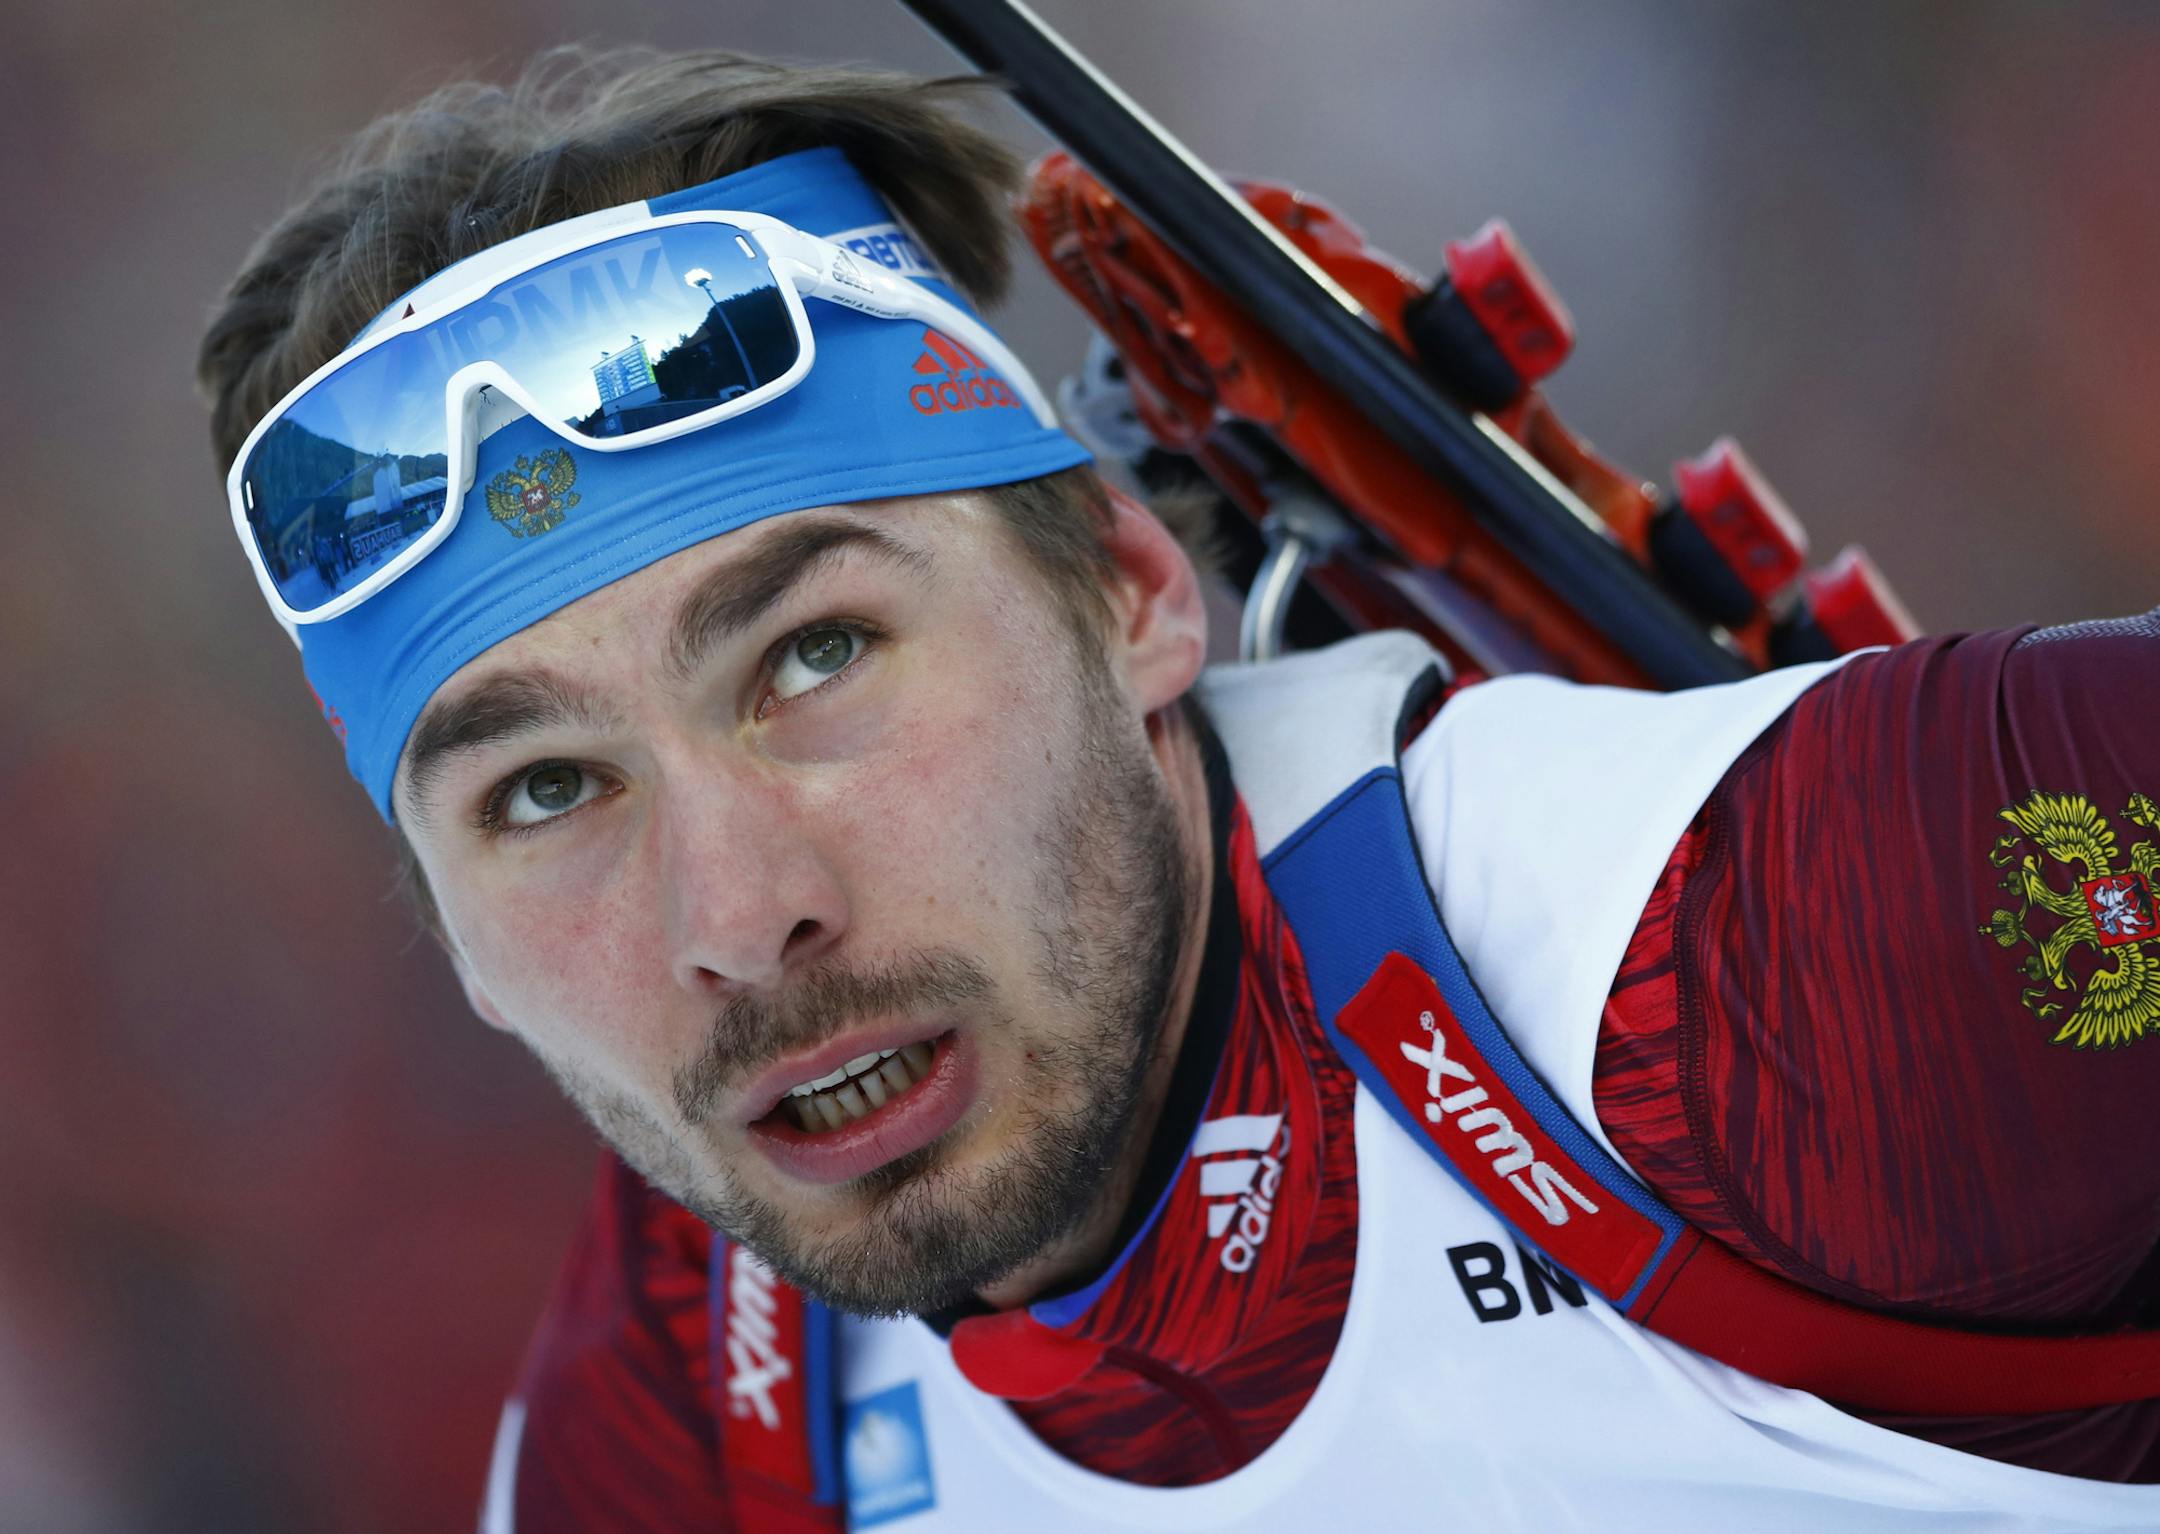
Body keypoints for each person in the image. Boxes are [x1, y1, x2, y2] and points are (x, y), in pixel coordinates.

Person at [196, 48, 2160, 1532]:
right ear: (445, 932)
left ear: (1133, 595)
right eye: (545, 790)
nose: (739, 916)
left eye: (815, 656)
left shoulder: (1756, 954)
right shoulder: (693, 1421)